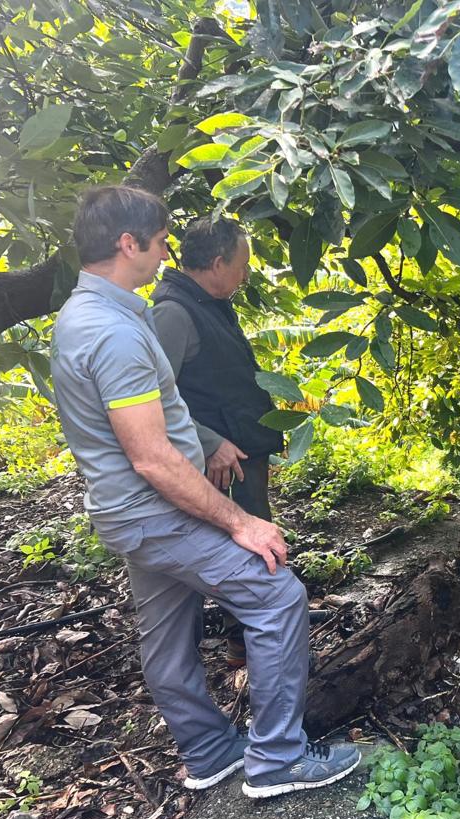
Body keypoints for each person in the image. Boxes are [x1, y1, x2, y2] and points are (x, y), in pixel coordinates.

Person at [50, 185, 359, 798]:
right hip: (153, 512)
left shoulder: (86, 315)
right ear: (127, 243)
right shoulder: (113, 332)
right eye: (161, 240)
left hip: (128, 514)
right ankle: (277, 761)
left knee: (165, 631)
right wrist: (239, 523)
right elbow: (153, 456)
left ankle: (211, 750)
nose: (168, 252)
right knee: (277, 598)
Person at [151, 217, 281, 668]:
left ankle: (255, 627)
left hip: (241, 444)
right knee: (238, 540)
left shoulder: (208, 301)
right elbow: (154, 399)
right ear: (217, 262)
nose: (246, 276)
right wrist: (208, 442)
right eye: (242, 265)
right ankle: (245, 638)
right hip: (217, 457)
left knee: (254, 531)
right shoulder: (174, 312)